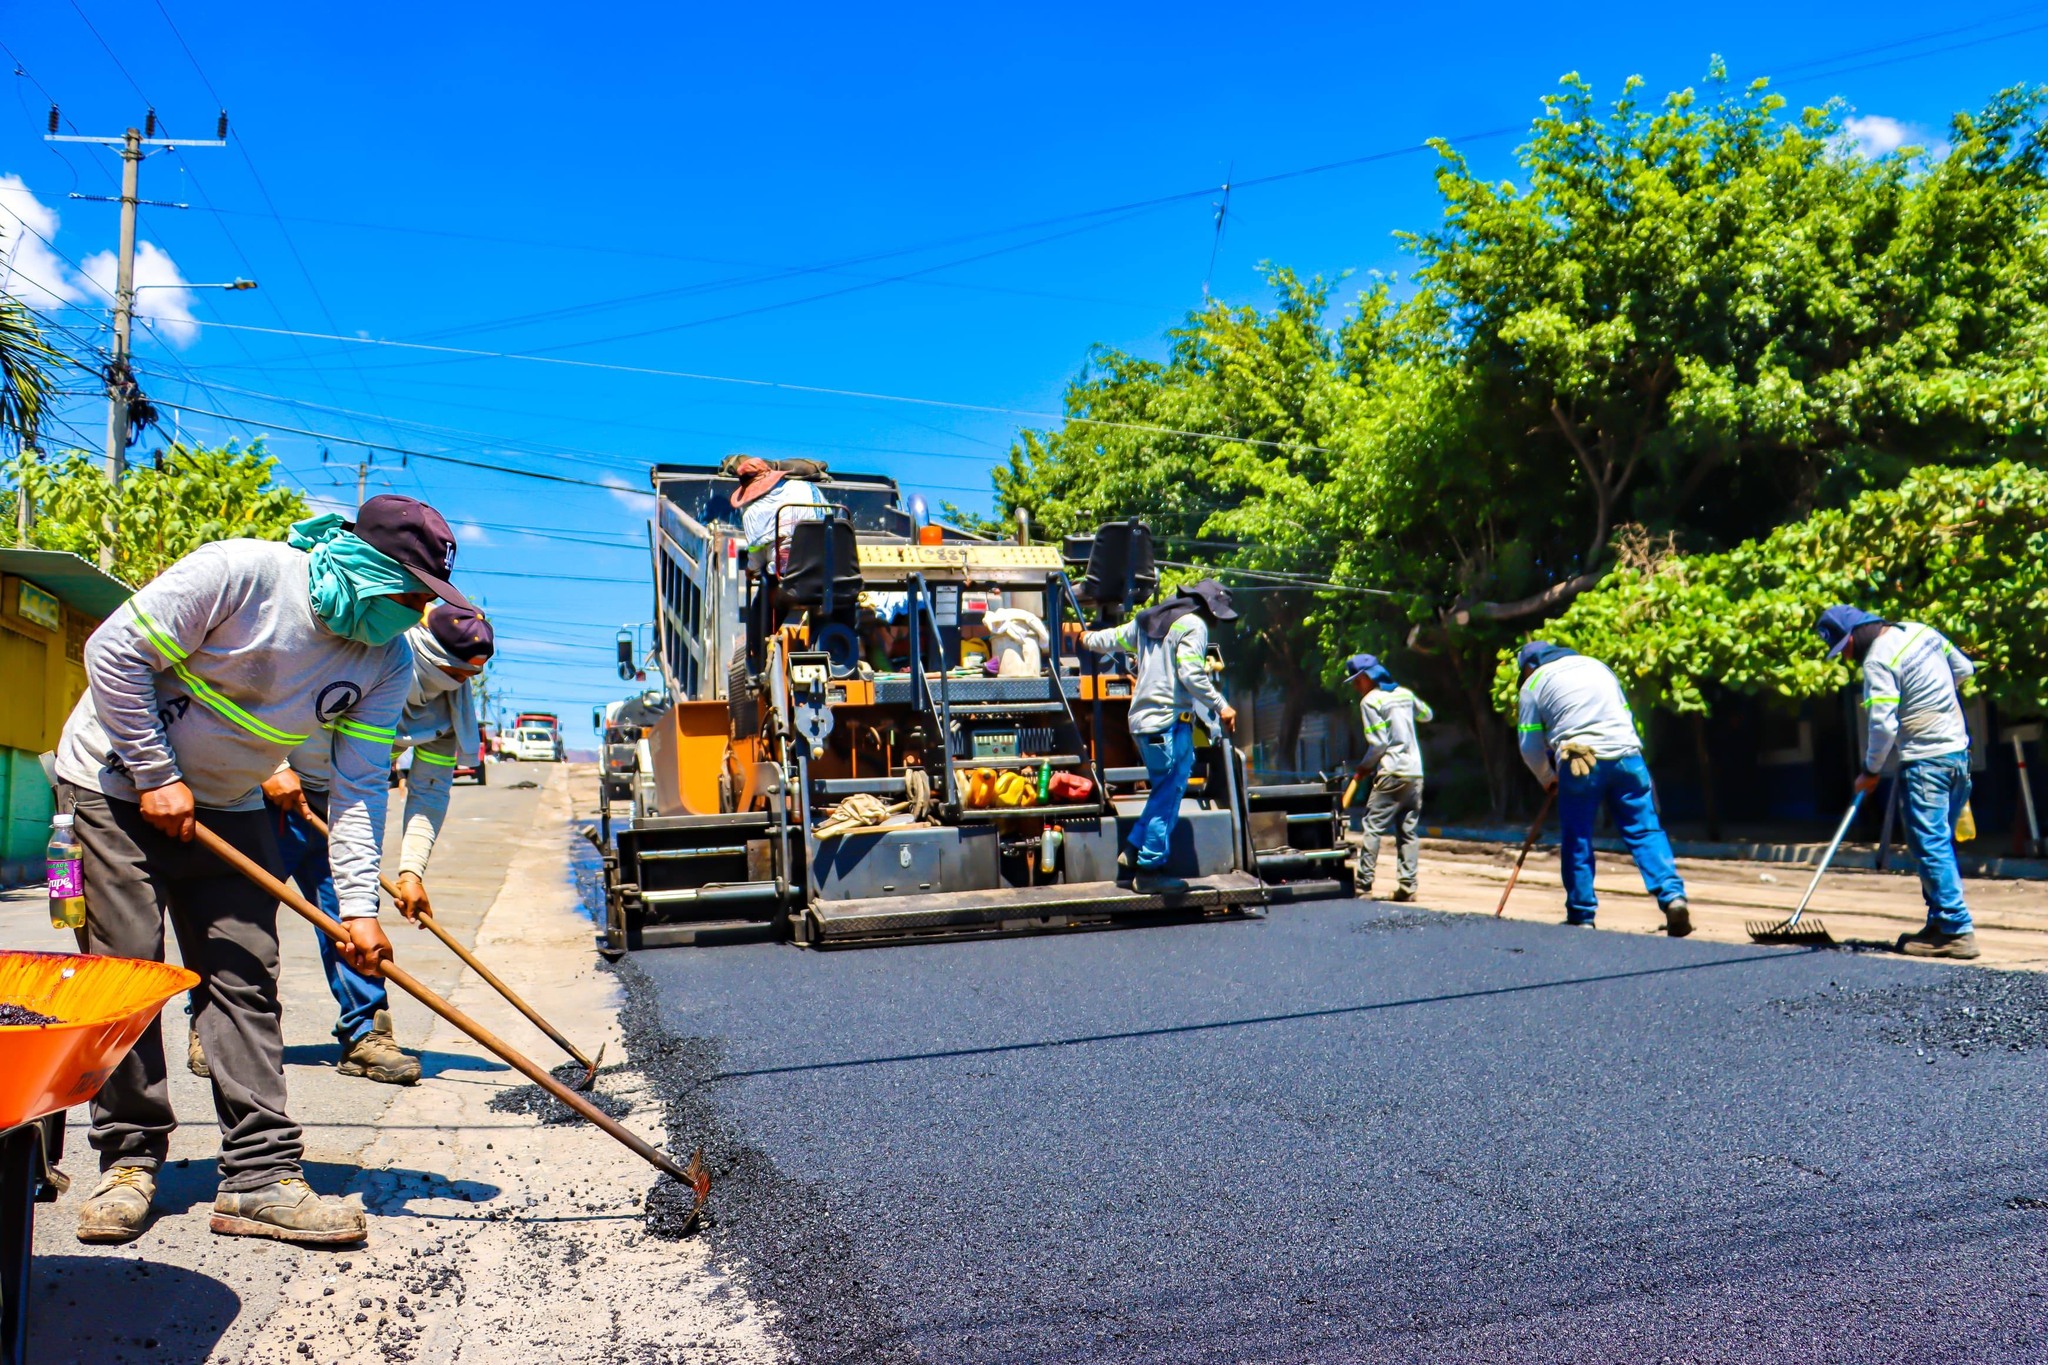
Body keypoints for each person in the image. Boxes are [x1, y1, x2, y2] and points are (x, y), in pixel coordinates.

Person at [53, 494, 471, 1246]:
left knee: (245, 973)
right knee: (128, 971)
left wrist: (358, 910)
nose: (413, 612)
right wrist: (153, 772)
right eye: (409, 591)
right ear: (368, 564)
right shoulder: (241, 573)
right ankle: (128, 1160)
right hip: (113, 784)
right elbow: (113, 654)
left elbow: (360, 787)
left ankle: (259, 1175)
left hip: (230, 799)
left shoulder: (386, 658)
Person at [246, 604, 496, 1085]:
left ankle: (366, 1035)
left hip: (347, 806)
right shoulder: (362, 653)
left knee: (352, 920)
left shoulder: (445, 708)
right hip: (271, 797)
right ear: (427, 648)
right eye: (453, 670)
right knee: (242, 917)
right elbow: (266, 691)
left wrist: (411, 872)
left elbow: (428, 791)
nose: (458, 683)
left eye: (469, 675)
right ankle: (211, 1026)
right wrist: (272, 767)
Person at [1815, 606, 1979, 959]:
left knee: (1930, 846)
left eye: (1844, 646)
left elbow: (1883, 726)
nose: (1846, 656)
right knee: (1938, 846)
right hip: (1959, 756)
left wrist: (1870, 771)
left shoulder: (1877, 660)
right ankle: (1938, 923)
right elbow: (1965, 669)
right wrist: (1932, 696)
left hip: (1925, 763)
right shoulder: (1921, 631)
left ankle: (1955, 929)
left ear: (1858, 633)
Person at [1514, 641, 1691, 936]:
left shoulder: (1533, 682)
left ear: (1529, 665)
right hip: (1628, 756)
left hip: (1580, 757)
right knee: (1645, 830)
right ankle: (1673, 897)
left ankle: (1582, 914)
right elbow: (1626, 716)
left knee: (1578, 835)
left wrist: (1548, 777)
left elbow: (1530, 746)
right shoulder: (1599, 667)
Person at [1080, 579, 1239, 895]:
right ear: (1207, 607)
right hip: (1168, 724)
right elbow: (1191, 674)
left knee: (1162, 791)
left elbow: (1110, 638)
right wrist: (1222, 706)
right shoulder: (1193, 625)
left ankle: (1134, 846)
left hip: (1141, 724)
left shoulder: (1147, 620)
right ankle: (1150, 870)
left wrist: (1086, 638)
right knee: (1168, 798)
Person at [1344, 653, 1433, 902]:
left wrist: (1363, 768)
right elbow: (1427, 715)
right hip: (1415, 774)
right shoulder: (1404, 694)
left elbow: (1379, 743)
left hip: (1392, 773)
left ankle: (1363, 885)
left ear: (1366, 677)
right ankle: (1407, 886)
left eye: (1356, 680)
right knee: (1408, 830)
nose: (1354, 686)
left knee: (1372, 827)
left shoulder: (1370, 702)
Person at [729, 455, 827, 567]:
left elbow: (756, 558)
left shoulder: (752, 513)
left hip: (789, 568)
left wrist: (751, 569)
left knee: (768, 567)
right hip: (828, 560)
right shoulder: (808, 487)